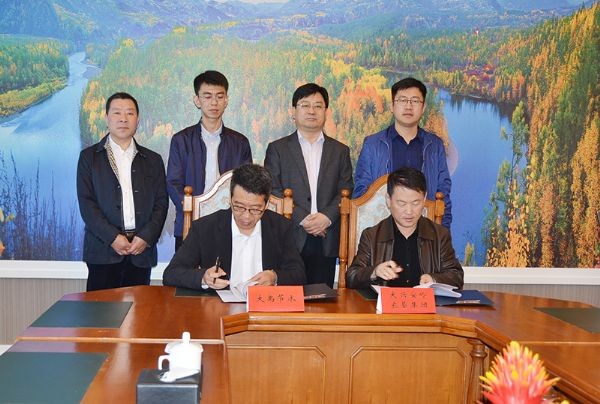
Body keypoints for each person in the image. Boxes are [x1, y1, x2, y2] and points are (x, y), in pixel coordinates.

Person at [264, 83, 353, 288]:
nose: (312, 111)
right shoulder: (277, 149)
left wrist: (326, 217)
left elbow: (346, 189)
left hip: (326, 235)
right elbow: (272, 189)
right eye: (305, 105)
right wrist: (304, 219)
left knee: (322, 299)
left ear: (326, 112)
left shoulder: (340, 151)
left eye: (318, 106)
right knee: (287, 298)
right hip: (289, 234)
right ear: (293, 111)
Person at [77, 92, 168, 291]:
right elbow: (87, 205)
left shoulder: (153, 160)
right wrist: (112, 237)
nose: (123, 119)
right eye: (117, 113)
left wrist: (146, 237)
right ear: (106, 118)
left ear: (137, 120)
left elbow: (161, 204)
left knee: (138, 309)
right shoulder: (89, 158)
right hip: (102, 252)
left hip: (140, 252)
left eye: (130, 113)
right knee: (101, 310)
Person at [163, 164, 306, 290]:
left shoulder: (281, 227)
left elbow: (299, 275)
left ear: (266, 204)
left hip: (263, 307)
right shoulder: (205, 228)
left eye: (255, 209)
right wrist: (204, 278)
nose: (246, 217)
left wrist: (275, 277)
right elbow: (171, 273)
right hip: (218, 306)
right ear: (230, 199)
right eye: (239, 207)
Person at [167, 70, 252, 251]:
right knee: (188, 269)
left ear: (226, 100)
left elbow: (248, 185)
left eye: (219, 96)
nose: (214, 102)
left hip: (230, 225)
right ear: (197, 100)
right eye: (207, 96)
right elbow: (173, 183)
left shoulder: (240, 142)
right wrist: (191, 208)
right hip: (190, 222)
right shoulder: (181, 140)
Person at [353, 77, 452, 227]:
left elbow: (443, 195)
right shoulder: (372, 144)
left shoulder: (435, 146)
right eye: (402, 100)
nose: (408, 106)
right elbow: (361, 194)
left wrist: (443, 234)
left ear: (423, 107)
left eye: (415, 101)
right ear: (392, 106)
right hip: (383, 230)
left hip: (425, 231)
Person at [345, 167, 463, 290]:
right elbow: (352, 277)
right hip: (385, 302)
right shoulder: (372, 236)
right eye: (401, 203)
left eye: (415, 203)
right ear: (388, 200)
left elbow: (456, 276)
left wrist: (433, 279)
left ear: (424, 199)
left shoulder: (440, 235)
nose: (409, 211)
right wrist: (374, 272)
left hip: (425, 301)